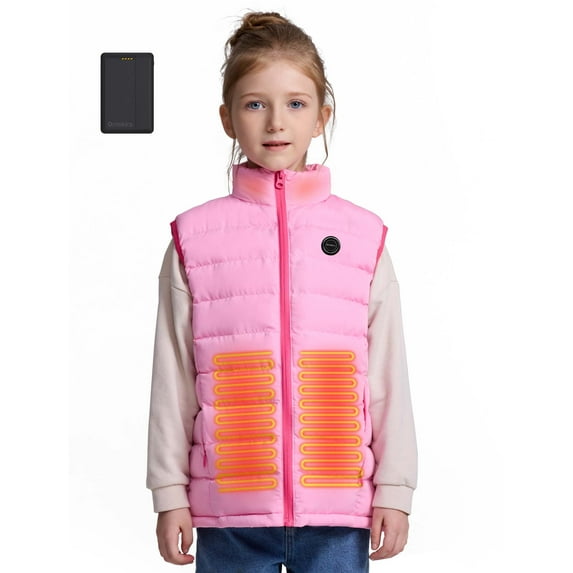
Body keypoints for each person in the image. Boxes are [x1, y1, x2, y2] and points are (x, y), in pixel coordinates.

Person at [146, 11, 417, 572]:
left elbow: (387, 375)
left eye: (296, 103)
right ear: (227, 118)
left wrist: (395, 488)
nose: (275, 122)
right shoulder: (194, 238)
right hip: (230, 511)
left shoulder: (363, 237)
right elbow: (172, 378)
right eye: (254, 104)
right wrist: (169, 493)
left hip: (337, 507)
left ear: (322, 117)